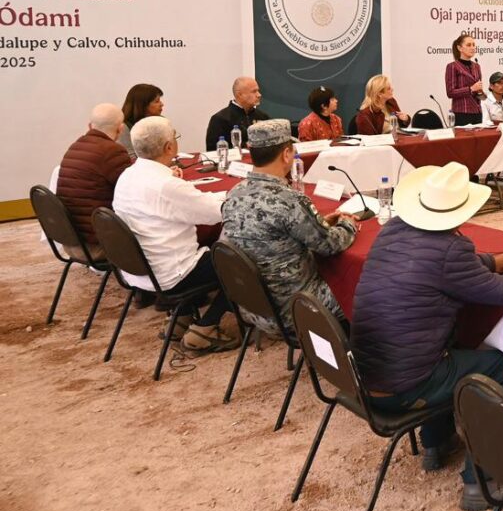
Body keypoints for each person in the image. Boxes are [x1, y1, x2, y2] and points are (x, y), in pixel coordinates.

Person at [350, 162, 503, 511]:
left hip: (368, 377)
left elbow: (437, 267)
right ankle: (480, 482)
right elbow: (498, 292)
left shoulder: (394, 229)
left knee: (445, 349)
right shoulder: (451, 250)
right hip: (405, 387)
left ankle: (436, 442)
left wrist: (490, 261)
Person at [112, 117, 238, 352]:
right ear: (169, 147)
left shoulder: (127, 176)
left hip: (139, 270)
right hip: (172, 273)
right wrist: (236, 194)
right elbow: (215, 213)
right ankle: (205, 328)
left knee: (202, 249)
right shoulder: (166, 185)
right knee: (243, 260)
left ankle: (180, 318)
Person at [221, 119, 358, 333]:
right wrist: (348, 225)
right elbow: (330, 245)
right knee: (368, 288)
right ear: (286, 154)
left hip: (253, 306)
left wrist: (319, 224)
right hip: (295, 307)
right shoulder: (290, 200)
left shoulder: (234, 193)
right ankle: (351, 350)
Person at [56, 103, 132, 261]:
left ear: (90, 126)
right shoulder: (112, 151)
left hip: (71, 240)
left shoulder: (76, 146)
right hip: (98, 246)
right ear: (120, 129)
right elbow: (133, 192)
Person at [205, 76, 269, 151]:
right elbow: (213, 151)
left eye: (258, 91)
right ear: (240, 95)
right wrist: (245, 146)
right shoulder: (220, 119)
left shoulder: (263, 117)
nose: (259, 95)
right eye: (254, 91)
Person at [445, 34, 485, 127]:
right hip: (462, 113)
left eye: (474, 45)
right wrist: (471, 89)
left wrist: (481, 93)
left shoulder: (477, 66)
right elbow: (450, 92)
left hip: (477, 113)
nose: (472, 47)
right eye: (468, 45)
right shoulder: (452, 66)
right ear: (459, 48)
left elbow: (479, 95)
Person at [117, 83, 164, 157]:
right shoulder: (124, 126)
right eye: (157, 101)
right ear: (142, 105)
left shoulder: (161, 121)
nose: (162, 104)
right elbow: (130, 157)